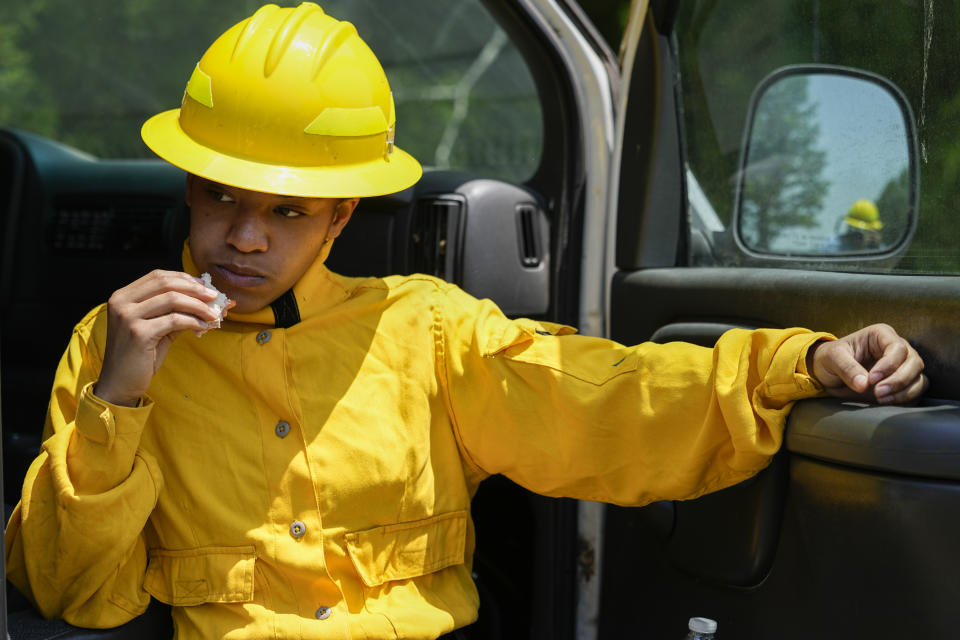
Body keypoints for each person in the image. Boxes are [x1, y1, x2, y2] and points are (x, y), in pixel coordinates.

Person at [4, 4, 927, 640]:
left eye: (287, 211)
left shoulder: (426, 331)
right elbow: (67, 587)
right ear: (188, 189)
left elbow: (610, 397)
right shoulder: (115, 343)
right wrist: (120, 394)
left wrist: (802, 361)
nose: (242, 238)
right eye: (219, 198)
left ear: (340, 217)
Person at [821, 199, 885, 253]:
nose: (857, 234)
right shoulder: (832, 244)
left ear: (872, 232)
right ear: (848, 226)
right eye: (854, 228)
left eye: (864, 230)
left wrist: (876, 247)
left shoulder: (879, 251)